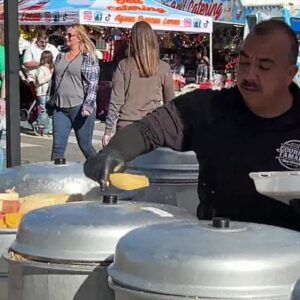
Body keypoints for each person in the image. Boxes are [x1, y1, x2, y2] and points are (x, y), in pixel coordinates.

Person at [84, 20, 300, 231]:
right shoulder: (208, 109)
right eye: (244, 63)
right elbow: (149, 129)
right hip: (218, 246)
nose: (250, 74)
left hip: (291, 253)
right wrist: (114, 151)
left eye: (264, 66)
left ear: (289, 74)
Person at [102, 21, 174, 147]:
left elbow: (116, 100)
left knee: (127, 166)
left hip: (127, 126)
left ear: (133, 41)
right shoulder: (163, 68)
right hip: (153, 127)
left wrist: (108, 130)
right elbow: (171, 104)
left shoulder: (124, 66)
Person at [50, 24, 99, 163]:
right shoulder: (60, 56)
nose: (66, 37)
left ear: (79, 38)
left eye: (70, 35)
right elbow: (55, 81)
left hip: (80, 107)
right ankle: (55, 180)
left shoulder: (88, 58)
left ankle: (100, 171)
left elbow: (93, 84)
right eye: (66, 34)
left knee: (85, 146)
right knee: (57, 148)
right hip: (60, 108)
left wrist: (89, 105)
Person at [34, 50, 54, 136]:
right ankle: (40, 127)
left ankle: (48, 128)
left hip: (48, 92)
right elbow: (40, 80)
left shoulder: (50, 68)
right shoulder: (41, 68)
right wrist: (50, 76)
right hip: (42, 93)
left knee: (49, 110)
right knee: (43, 110)